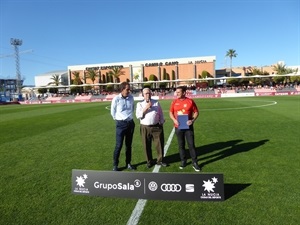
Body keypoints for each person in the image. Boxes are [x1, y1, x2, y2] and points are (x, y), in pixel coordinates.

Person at [169, 86, 201, 172]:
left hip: (188, 127)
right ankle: (183, 161)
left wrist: (192, 120)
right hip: (178, 127)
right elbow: (170, 113)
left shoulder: (190, 101)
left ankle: (194, 162)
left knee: (191, 145)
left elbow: (196, 112)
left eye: (179, 92)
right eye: (176, 92)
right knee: (181, 145)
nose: (177, 94)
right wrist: (174, 120)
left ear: (184, 93)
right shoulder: (174, 102)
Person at [136, 88, 167, 168]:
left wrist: (161, 121)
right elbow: (138, 115)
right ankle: (149, 161)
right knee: (146, 145)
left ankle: (160, 160)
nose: (148, 95)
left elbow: (160, 113)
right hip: (145, 127)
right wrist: (146, 108)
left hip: (156, 127)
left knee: (159, 144)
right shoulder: (140, 104)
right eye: (146, 93)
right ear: (143, 95)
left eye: (149, 93)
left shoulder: (156, 103)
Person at [110, 82, 136, 171]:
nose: (129, 91)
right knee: (119, 145)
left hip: (130, 124)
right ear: (122, 89)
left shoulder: (131, 98)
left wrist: (128, 118)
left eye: (129, 89)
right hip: (120, 124)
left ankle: (128, 163)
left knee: (128, 145)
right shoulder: (116, 99)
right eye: (127, 89)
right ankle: (115, 165)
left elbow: (132, 108)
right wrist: (118, 119)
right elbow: (112, 112)